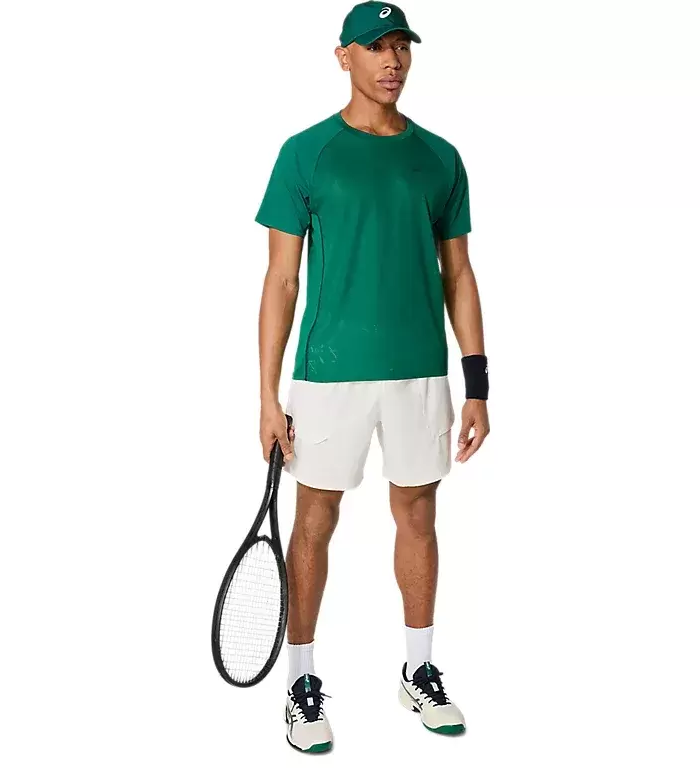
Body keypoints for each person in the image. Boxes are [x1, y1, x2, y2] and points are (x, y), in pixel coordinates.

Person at [255, 1, 490, 753]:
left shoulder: (440, 158)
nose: (392, 61)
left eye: (401, 47)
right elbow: (281, 281)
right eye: (375, 47)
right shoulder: (305, 154)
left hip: (419, 373)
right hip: (328, 376)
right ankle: (300, 683)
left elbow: (459, 273)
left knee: (418, 515)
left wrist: (478, 384)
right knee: (314, 521)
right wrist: (267, 396)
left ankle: (418, 671)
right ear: (343, 57)